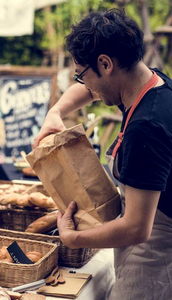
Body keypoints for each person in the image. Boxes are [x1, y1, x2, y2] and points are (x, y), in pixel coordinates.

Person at [32, 9, 172, 299]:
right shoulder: (151, 83)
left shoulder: (146, 127)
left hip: (157, 258)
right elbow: (85, 93)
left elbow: (136, 228)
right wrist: (55, 112)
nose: (85, 86)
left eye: (83, 75)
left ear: (106, 64)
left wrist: (73, 238)